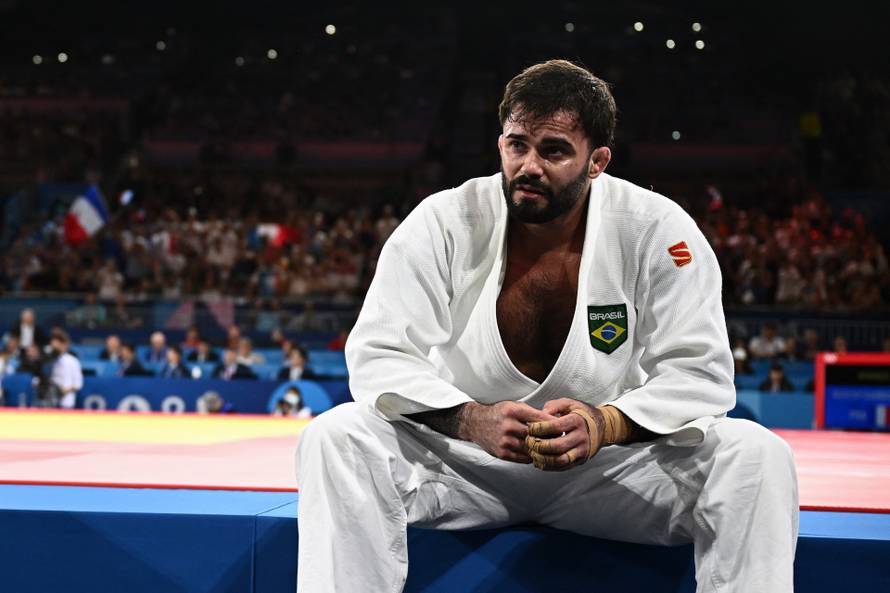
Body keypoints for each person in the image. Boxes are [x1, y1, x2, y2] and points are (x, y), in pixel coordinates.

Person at [295, 60, 798, 593]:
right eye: (517, 145)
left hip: (608, 470)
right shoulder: (442, 221)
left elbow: (700, 375)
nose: (528, 165)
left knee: (756, 455)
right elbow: (378, 355)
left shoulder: (657, 229)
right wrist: (470, 421)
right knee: (335, 436)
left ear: (597, 160)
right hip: (466, 465)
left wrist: (605, 425)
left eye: (553, 150)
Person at [47, 329, 82, 409]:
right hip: (49, 402)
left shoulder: (73, 361)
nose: (54, 346)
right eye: (52, 343)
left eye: (57, 343)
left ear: (64, 344)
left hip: (67, 403)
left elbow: (78, 384)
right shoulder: (48, 360)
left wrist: (63, 391)